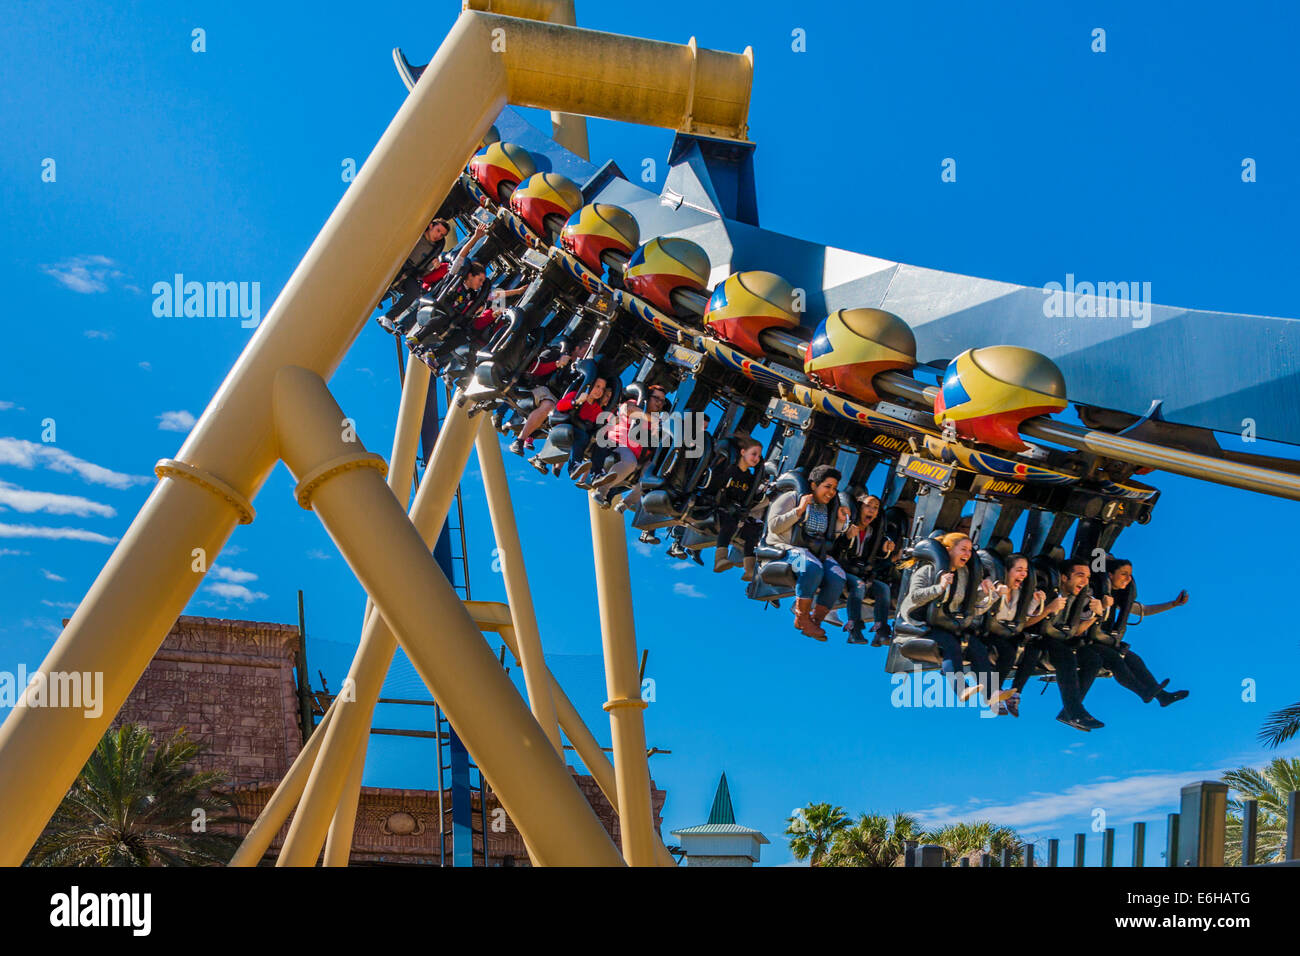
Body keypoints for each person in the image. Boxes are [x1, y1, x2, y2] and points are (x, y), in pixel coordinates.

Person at [895, 532, 999, 703]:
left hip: (946, 624)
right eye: (963, 549)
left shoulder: (963, 574)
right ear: (948, 550)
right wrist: (940, 587)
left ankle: (991, 694)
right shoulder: (928, 570)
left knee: (976, 646)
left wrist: (987, 593)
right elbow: (914, 597)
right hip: (917, 626)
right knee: (950, 644)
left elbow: (968, 603)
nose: (967, 554)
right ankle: (961, 689)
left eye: (970, 551)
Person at [1079, 558, 1190, 708]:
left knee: (1133, 659)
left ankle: (1162, 697)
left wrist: (1173, 604)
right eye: (1124, 574)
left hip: (1103, 642)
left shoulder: (1117, 596)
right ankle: (1144, 692)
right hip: (1084, 641)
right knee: (1116, 660)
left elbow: (1143, 610)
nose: (1128, 579)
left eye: (1130, 575)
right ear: (1110, 575)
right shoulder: (1093, 593)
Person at [1014, 557, 1106, 732]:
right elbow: (1023, 624)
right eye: (1080, 576)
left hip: (1062, 638)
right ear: (1064, 577)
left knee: (1093, 659)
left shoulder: (1078, 598)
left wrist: (1096, 615)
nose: (1085, 582)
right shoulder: (1044, 592)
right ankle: (1075, 712)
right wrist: (1048, 608)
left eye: (1087, 577)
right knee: (1066, 657)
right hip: (1038, 638)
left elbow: (1077, 631)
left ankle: (1068, 712)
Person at [763, 464, 851, 641]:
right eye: (827, 486)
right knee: (811, 567)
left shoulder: (827, 508)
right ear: (813, 485)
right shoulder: (791, 497)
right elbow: (774, 526)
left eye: (834, 488)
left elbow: (830, 535)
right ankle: (802, 617)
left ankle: (815, 620)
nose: (832, 492)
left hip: (813, 551)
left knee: (838, 576)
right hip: (783, 548)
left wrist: (841, 522)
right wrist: (799, 510)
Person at [984, 553, 1049, 717]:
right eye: (1019, 570)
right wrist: (997, 595)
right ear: (1007, 571)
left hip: (1008, 632)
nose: (1023, 574)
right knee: (1008, 652)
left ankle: (1015, 694)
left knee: (1033, 650)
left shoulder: (1020, 592)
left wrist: (1035, 602)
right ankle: (994, 693)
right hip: (988, 632)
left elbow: (1022, 617)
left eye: (1026, 571)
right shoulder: (994, 587)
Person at [832, 493, 897, 646]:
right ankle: (853, 629)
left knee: (883, 589)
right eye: (868, 506)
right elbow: (833, 549)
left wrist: (885, 549)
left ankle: (881, 632)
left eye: (875, 508)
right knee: (859, 585)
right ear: (859, 507)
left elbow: (877, 556)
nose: (872, 510)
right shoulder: (846, 525)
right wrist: (846, 537)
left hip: (862, 572)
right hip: (842, 570)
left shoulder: (873, 532)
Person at [380, 217, 452, 328]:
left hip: (411, 272)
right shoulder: (417, 234)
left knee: (414, 291)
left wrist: (432, 267)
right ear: (431, 226)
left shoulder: (435, 249)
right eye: (438, 231)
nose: (438, 236)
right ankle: (377, 298)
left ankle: (388, 317)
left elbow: (424, 273)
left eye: (442, 235)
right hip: (397, 263)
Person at [709, 436, 765, 578]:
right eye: (753, 454)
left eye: (759, 456)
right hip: (717, 508)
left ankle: (749, 569)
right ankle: (720, 559)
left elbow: (751, 498)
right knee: (730, 520)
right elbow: (715, 486)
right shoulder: (729, 469)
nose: (756, 458)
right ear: (742, 452)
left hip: (736, 512)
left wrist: (760, 493)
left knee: (753, 530)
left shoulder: (750, 478)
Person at [508, 341, 574, 456]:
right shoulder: (555, 353)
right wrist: (557, 364)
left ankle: (544, 457)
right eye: (585, 349)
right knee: (549, 406)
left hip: (557, 399)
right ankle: (519, 440)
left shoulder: (580, 370)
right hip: (538, 388)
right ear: (577, 348)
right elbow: (534, 369)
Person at [549, 376, 609, 479]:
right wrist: (576, 402)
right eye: (597, 386)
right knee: (582, 436)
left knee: (604, 442)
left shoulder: (597, 409)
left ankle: (596, 473)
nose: (599, 391)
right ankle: (573, 467)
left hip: (581, 433)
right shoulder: (576, 395)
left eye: (602, 389)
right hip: (565, 427)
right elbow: (560, 406)